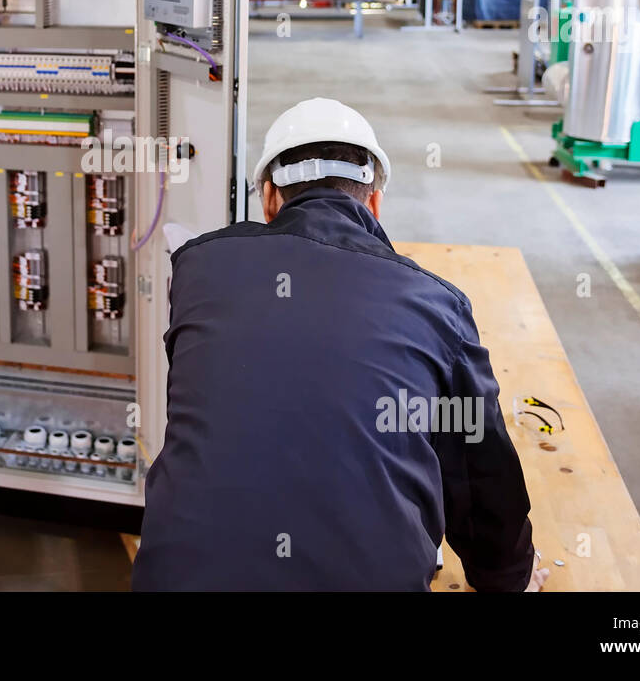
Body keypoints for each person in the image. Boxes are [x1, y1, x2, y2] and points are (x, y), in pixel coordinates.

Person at [132, 98, 548, 591]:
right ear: (374, 203)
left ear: (268, 197)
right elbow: (481, 476)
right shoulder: (438, 307)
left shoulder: (199, 270)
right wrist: (507, 577)